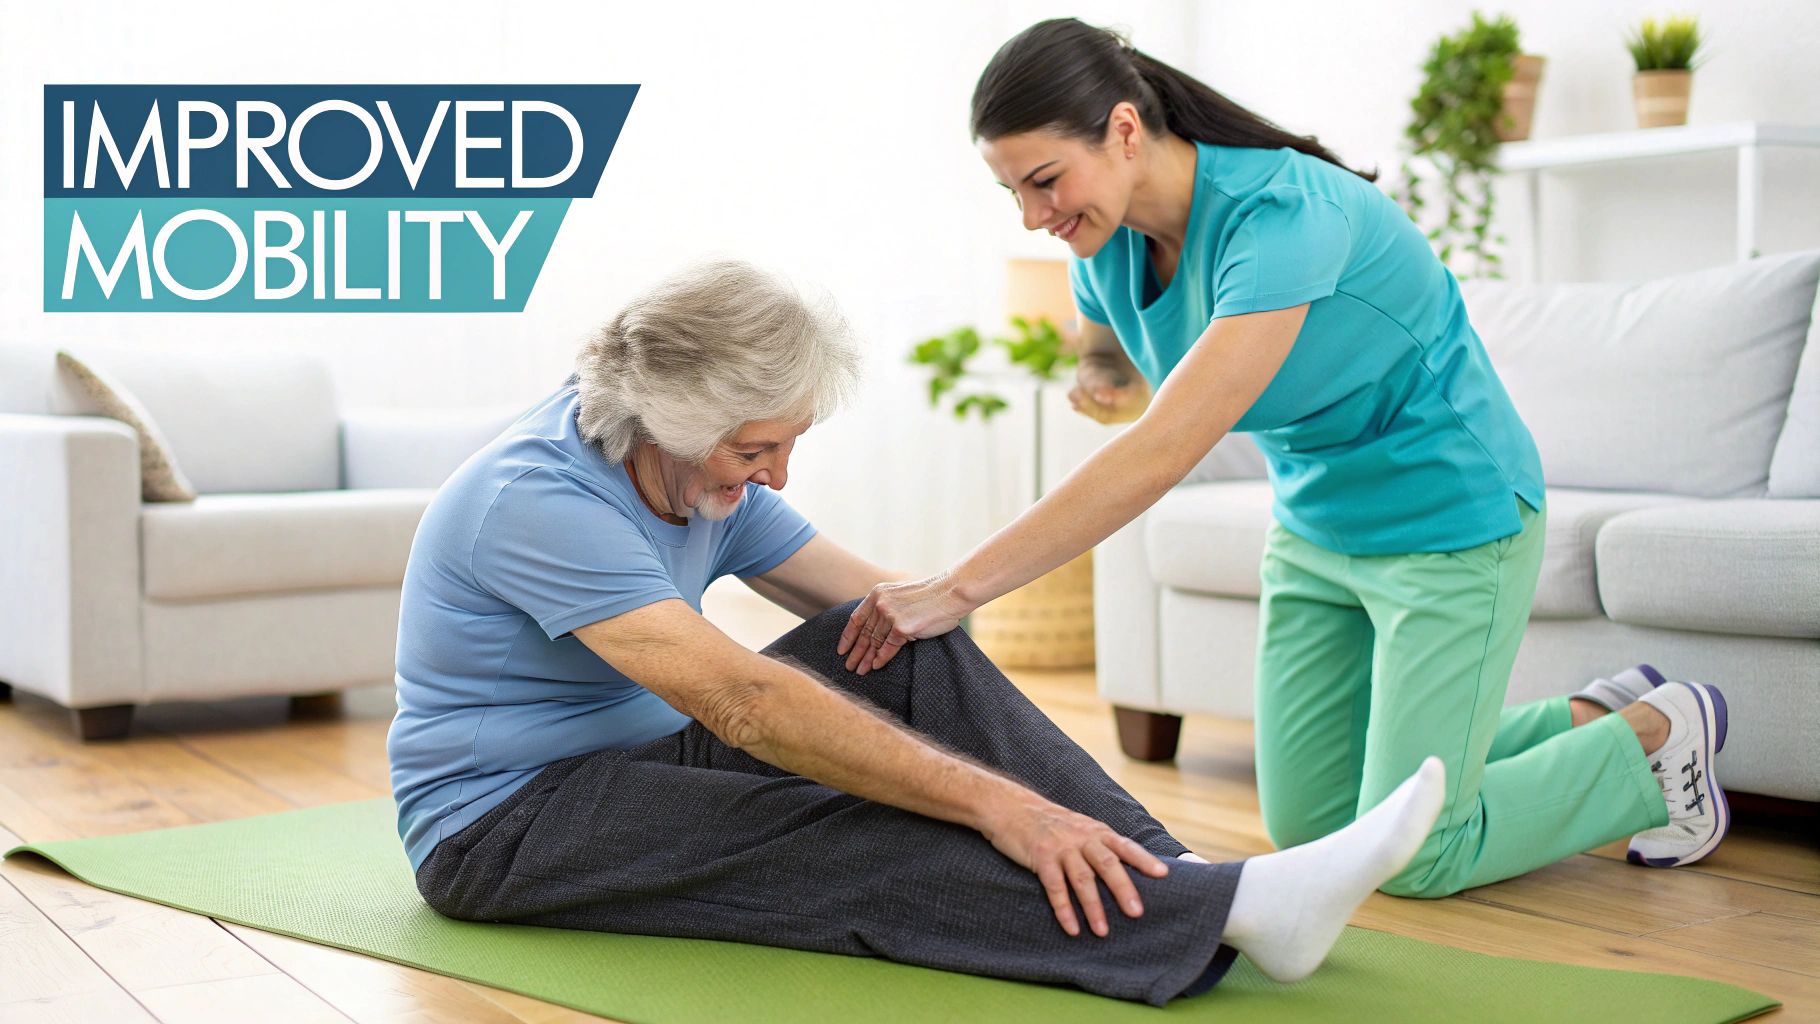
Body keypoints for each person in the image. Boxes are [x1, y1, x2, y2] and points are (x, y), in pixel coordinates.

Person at [387, 257, 1449, 1005]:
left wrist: (949, 606)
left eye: (785, 446)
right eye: (757, 450)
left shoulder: (699, 467)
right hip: (503, 828)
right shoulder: (533, 499)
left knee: (903, 630)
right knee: (846, 835)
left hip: (643, 766)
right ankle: (1210, 902)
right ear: (672, 417)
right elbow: (743, 703)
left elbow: (883, 605)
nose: (775, 476)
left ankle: (1184, 882)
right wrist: (1001, 806)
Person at [838, 18, 1730, 897]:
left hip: (1451, 517)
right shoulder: (1101, 242)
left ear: (1122, 129)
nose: (1035, 217)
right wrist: (1101, 371)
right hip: (1313, 522)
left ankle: (1653, 738)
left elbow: (1165, 449)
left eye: (1044, 181)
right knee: (1311, 823)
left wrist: (955, 589)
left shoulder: (1282, 216)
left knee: (1416, 853)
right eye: (1013, 194)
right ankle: (1593, 716)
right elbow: (1107, 344)